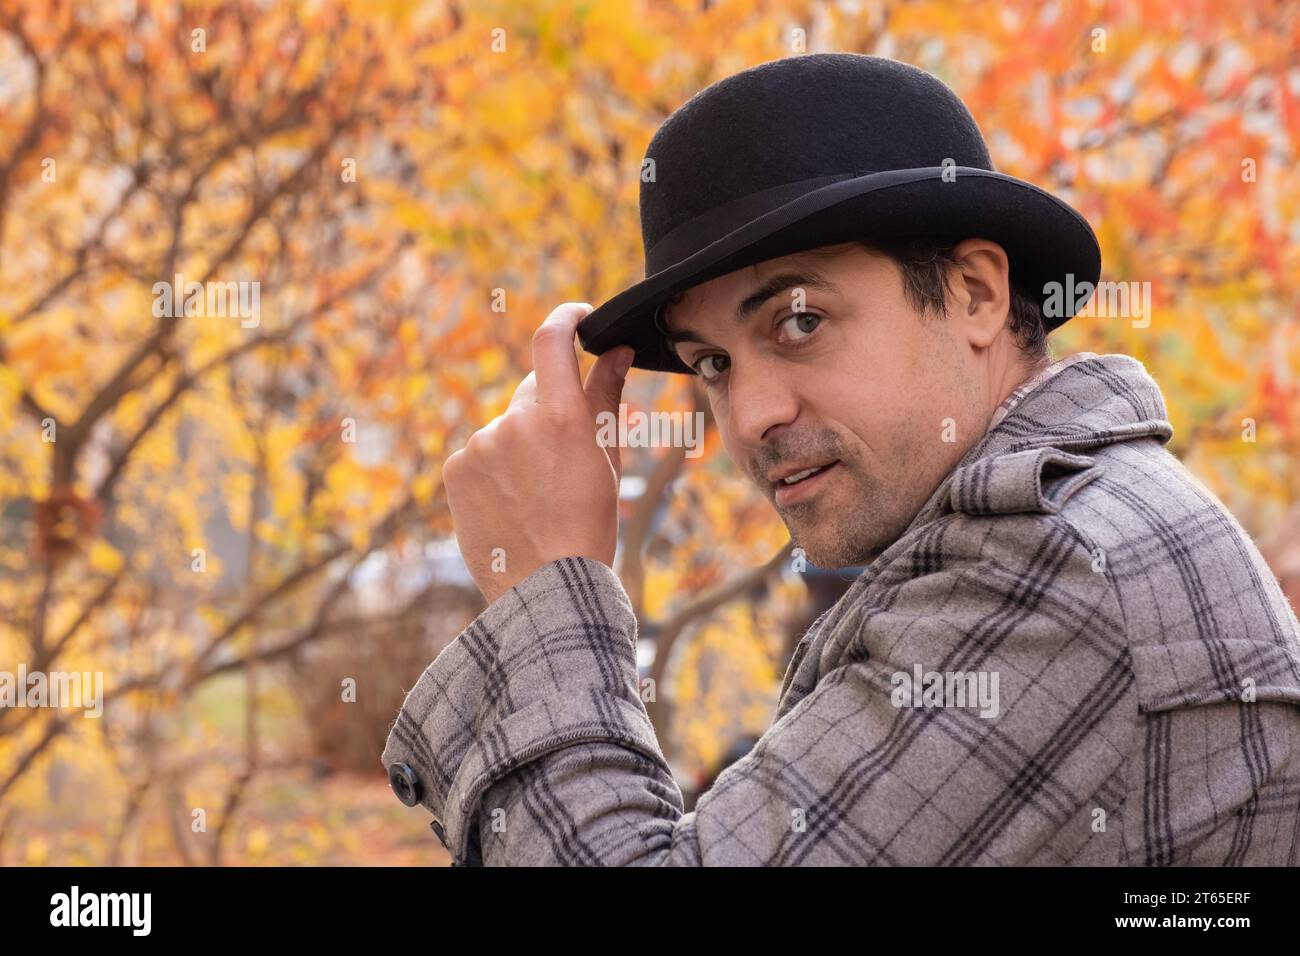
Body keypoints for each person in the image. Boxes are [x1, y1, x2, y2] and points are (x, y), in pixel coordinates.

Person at [382, 53, 1300, 865]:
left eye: (800, 320)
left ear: (977, 294)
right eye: (713, 364)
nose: (749, 416)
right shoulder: (1033, 530)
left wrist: (549, 583)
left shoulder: (1065, 562)